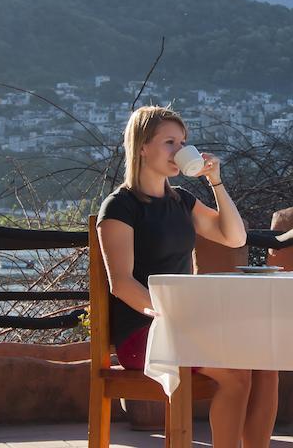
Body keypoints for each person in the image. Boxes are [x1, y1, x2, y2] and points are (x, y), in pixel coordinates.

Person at [96, 105, 279, 447]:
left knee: (265, 364)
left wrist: (216, 181)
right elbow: (121, 284)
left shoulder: (182, 201)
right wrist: (171, 317)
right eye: (170, 142)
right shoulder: (120, 207)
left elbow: (234, 236)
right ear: (142, 147)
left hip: (186, 327)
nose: (179, 151)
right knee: (237, 376)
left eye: (183, 143)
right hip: (143, 334)